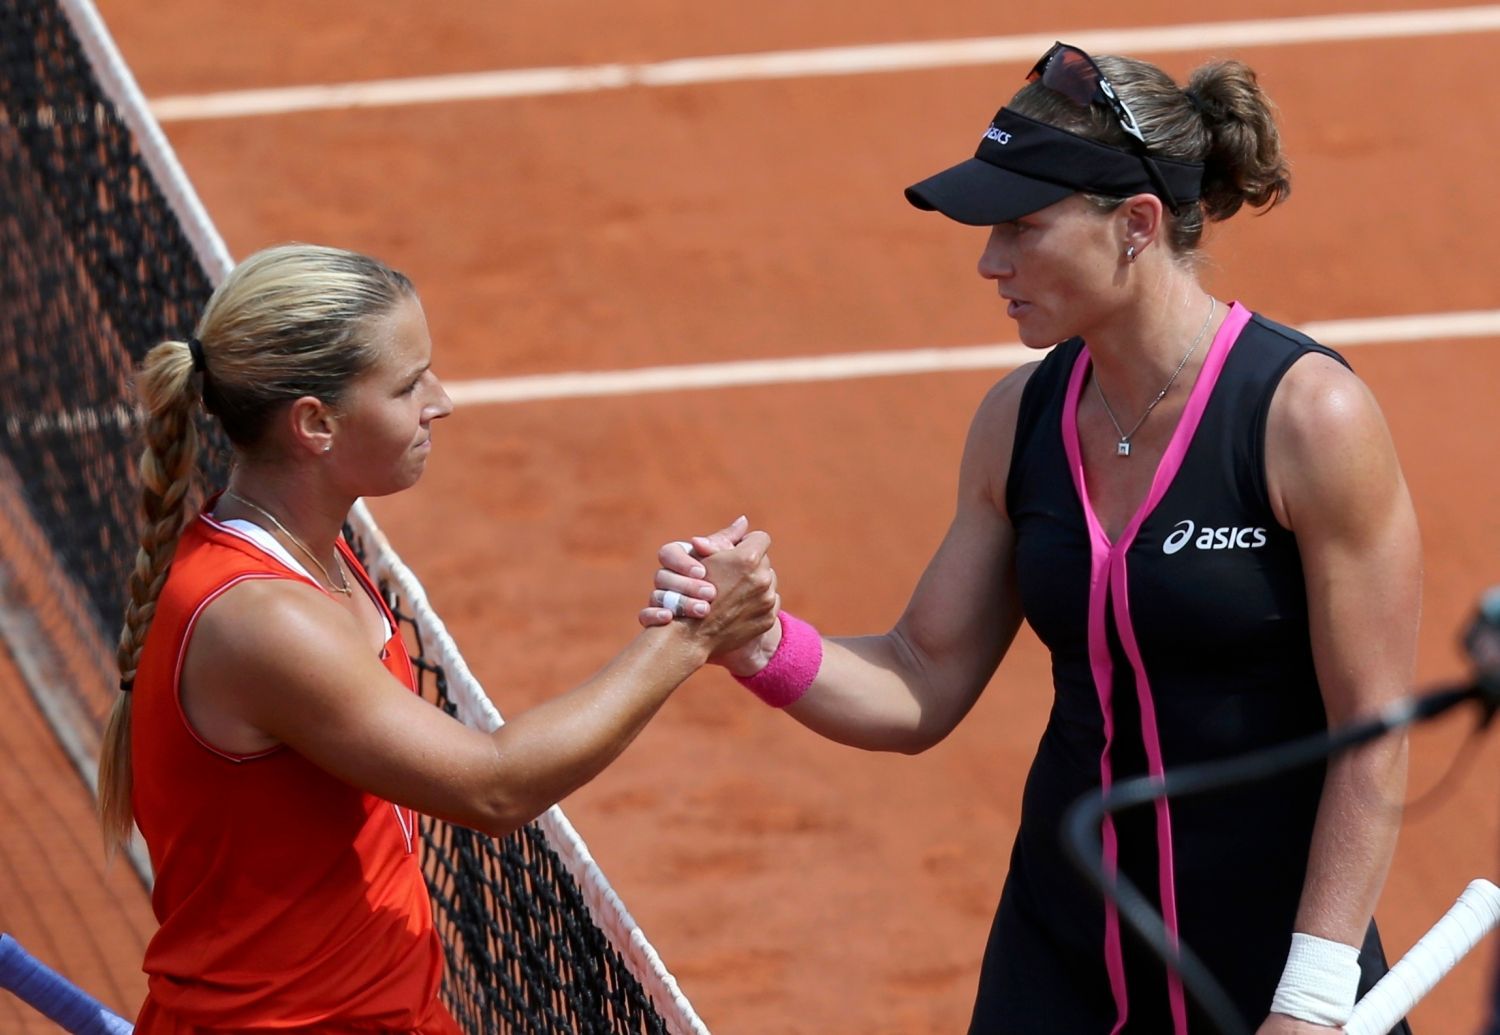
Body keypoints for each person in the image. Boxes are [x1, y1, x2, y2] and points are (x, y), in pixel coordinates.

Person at [646, 43, 1421, 1035]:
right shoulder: (1020, 421)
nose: (990, 261)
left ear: (1135, 225)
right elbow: (921, 675)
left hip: (1268, 973)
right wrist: (758, 641)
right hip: (1062, 965)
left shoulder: (1307, 419)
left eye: (1022, 226)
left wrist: (1310, 1002)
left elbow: (1371, 729)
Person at [95, 243, 779, 1034]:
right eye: (407, 385)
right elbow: (493, 787)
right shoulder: (263, 617)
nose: (441, 401)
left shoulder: (306, 548)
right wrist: (693, 634)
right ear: (315, 423)